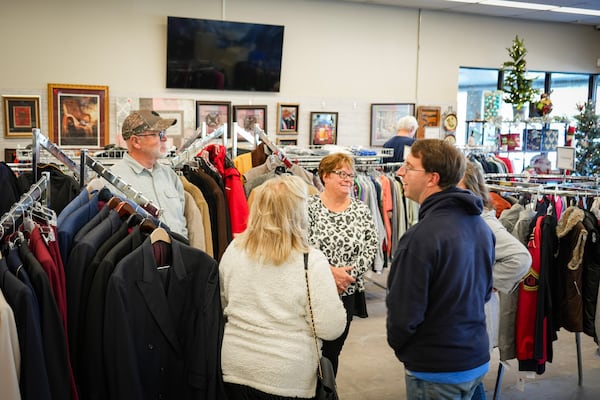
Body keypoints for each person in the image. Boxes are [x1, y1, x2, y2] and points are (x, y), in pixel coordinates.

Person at [219, 175, 346, 399]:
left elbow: (223, 301)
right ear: (299, 213)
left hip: (235, 366)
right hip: (287, 375)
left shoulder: (235, 249)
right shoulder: (310, 261)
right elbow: (330, 326)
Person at [386, 139, 495, 399]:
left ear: (432, 178)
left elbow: (404, 315)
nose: (400, 173)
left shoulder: (420, 238)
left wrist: (408, 349)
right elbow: (485, 293)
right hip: (475, 358)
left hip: (437, 368)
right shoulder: (480, 227)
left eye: (409, 167)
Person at [458, 161, 531, 400]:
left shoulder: (482, 221)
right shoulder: (466, 218)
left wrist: (480, 281)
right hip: (466, 323)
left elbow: (520, 258)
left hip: (472, 322)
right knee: (470, 383)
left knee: (469, 382)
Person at [307, 153, 378, 375]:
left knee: (332, 352)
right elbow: (301, 245)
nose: (348, 179)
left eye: (351, 174)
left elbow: (371, 245)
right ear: (325, 176)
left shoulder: (361, 210)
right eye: (342, 174)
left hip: (346, 290)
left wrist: (346, 278)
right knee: (310, 350)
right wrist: (328, 274)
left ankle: (327, 390)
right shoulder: (309, 207)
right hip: (313, 290)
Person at [110, 109, 188, 238]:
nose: (165, 138)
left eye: (165, 132)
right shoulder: (113, 180)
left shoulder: (170, 176)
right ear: (136, 141)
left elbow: (181, 223)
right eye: (159, 133)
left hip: (179, 254)